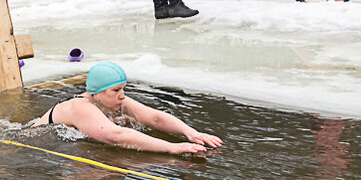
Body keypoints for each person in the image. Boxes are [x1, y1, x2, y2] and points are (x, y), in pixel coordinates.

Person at [33, 61, 221, 154]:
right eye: (116, 90)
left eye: (123, 89)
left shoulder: (111, 98)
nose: (122, 96)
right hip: (33, 145)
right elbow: (117, 136)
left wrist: (191, 133)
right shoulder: (81, 107)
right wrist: (171, 147)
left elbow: (154, 118)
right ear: (97, 92)